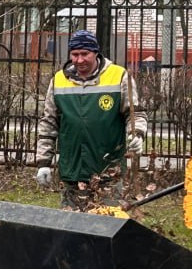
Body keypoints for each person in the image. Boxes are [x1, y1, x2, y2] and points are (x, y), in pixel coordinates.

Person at [35, 30, 147, 210]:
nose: (79, 60)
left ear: (96, 52)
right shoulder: (59, 80)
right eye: (75, 54)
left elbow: (135, 113)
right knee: (72, 228)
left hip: (107, 170)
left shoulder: (119, 76)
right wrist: (43, 163)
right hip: (72, 170)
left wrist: (137, 134)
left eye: (84, 54)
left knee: (107, 226)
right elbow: (48, 123)